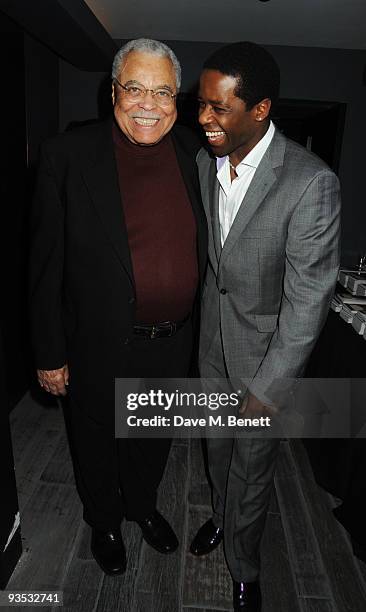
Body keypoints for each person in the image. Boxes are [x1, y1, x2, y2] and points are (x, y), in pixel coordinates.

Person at [29, 38, 207, 576]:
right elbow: (42, 265)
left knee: (151, 437)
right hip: (96, 341)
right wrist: (48, 352)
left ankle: (142, 506)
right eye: (135, 88)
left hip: (173, 341)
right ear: (113, 93)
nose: (147, 103)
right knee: (96, 440)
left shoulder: (197, 155)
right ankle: (104, 520)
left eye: (162, 92)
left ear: (177, 101)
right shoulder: (67, 156)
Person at [189, 42, 340, 611]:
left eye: (217, 108)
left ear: (260, 110)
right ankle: (222, 520)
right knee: (218, 453)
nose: (203, 118)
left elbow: (309, 302)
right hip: (210, 347)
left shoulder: (309, 182)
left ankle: (246, 566)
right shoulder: (206, 162)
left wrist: (269, 387)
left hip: (263, 363)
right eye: (201, 104)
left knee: (253, 470)